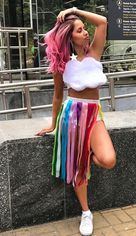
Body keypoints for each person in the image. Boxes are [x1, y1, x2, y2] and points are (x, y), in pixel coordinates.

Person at [36, 7, 116, 236]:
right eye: (80, 31)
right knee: (78, 169)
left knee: (108, 159)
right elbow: (57, 96)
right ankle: (86, 212)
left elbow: (102, 22)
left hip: (93, 114)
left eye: (84, 29)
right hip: (72, 115)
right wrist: (52, 125)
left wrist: (74, 10)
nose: (85, 33)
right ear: (69, 38)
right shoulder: (64, 64)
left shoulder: (95, 53)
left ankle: (87, 157)